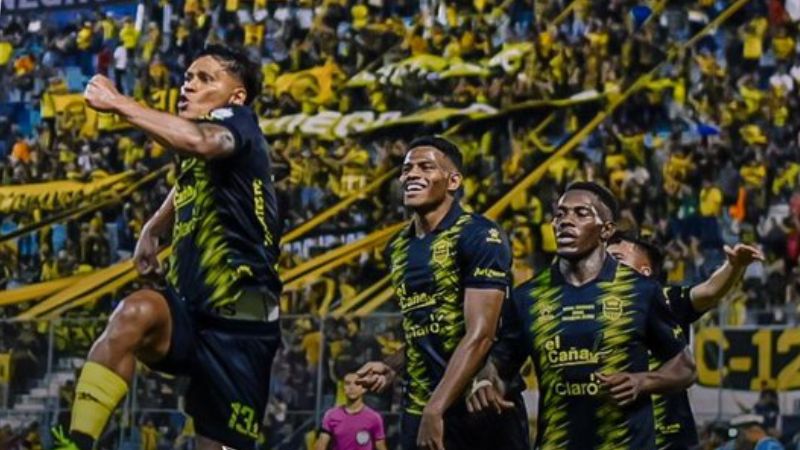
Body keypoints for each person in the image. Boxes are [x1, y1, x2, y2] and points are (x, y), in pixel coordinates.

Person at [55, 45, 283, 450]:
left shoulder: (238, 122)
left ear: (237, 95)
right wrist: (155, 228)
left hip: (240, 328)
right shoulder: (216, 144)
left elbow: (200, 143)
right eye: (187, 77)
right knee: (134, 312)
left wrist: (118, 103)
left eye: (205, 78)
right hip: (191, 309)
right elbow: (191, 179)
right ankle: (76, 443)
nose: (188, 85)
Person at [474, 181, 697, 449]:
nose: (565, 221)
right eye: (560, 214)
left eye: (581, 213)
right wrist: (485, 382)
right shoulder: (527, 297)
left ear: (606, 230)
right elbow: (500, 364)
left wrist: (642, 381)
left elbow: (685, 367)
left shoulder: (641, 291)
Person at [355, 136, 528, 450]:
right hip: (418, 407)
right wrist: (392, 367)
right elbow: (425, 329)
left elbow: (481, 335)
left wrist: (436, 407)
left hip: (478, 404)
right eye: (407, 168)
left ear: (453, 181)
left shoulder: (479, 235)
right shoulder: (396, 247)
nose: (411, 174)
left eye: (425, 167)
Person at [607, 231, 764, 449]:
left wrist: (734, 266)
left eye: (617, 259)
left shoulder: (666, 300)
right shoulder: (587, 312)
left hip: (669, 440)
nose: (606, 266)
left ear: (645, 272)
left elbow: (709, 291)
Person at [316, 373, 388, 450]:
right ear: (343, 388)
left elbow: (381, 446)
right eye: (347, 383)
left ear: (364, 388)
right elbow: (321, 446)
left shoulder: (374, 417)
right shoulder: (331, 415)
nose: (351, 387)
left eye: (357, 384)